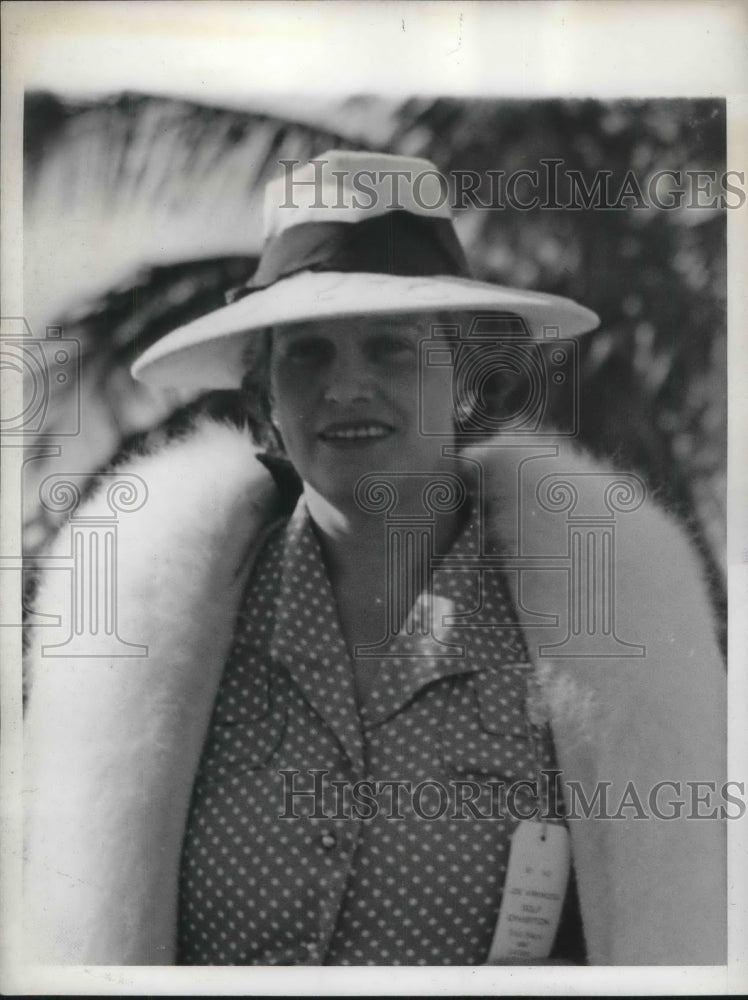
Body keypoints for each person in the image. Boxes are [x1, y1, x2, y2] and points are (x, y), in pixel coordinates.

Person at [23, 151, 726, 966]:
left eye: (390, 348)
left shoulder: (604, 640)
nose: (346, 386)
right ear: (264, 400)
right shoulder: (158, 645)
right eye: (308, 354)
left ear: (465, 376)